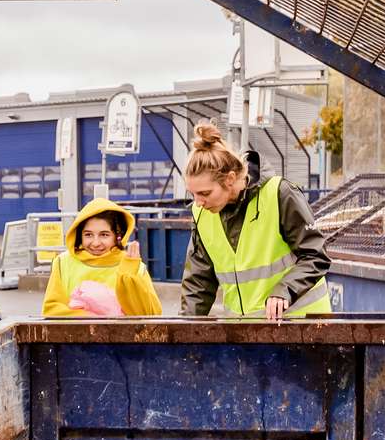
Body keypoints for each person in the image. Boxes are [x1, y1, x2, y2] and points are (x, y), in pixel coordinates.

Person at [181, 123, 332, 319]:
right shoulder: (202, 213)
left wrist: (285, 289)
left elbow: (315, 255)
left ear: (230, 179)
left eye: (205, 193)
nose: (198, 202)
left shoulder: (280, 194)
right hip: (246, 331)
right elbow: (198, 282)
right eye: (192, 194)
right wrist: (181, 330)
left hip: (300, 325)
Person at [43, 199, 162, 318]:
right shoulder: (63, 262)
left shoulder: (135, 267)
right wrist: (93, 320)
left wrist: (129, 277)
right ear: (79, 235)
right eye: (88, 235)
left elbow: (150, 316)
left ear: (118, 236)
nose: (96, 243)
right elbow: (51, 310)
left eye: (104, 235)